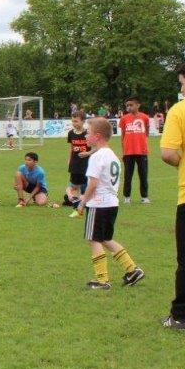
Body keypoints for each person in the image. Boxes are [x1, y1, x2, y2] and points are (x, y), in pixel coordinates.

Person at [76, 118, 145, 290]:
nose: (85, 136)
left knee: (94, 239)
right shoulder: (112, 155)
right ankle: (133, 270)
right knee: (105, 238)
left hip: (99, 204)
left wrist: (82, 202)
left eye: (88, 133)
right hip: (112, 203)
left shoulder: (96, 157)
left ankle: (102, 281)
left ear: (97, 136)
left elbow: (93, 183)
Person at [161, 60, 185, 328]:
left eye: (182, 83)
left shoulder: (180, 110)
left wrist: (183, 163)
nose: (181, 89)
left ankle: (180, 317)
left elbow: (168, 153)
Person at [119, 96, 151, 204]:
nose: (129, 107)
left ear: (138, 105)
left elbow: (146, 133)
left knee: (143, 175)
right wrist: (123, 151)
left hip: (142, 151)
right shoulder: (124, 119)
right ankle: (127, 197)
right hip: (128, 152)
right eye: (127, 105)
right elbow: (123, 136)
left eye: (131, 105)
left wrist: (142, 143)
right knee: (128, 176)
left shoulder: (145, 117)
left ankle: (144, 197)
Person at [65, 112, 91, 217]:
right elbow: (72, 148)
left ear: (83, 121)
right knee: (75, 187)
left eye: (76, 121)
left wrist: (88, 153)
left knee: (86, 187)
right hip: (75, 164)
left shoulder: (88, 133)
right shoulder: (71, 133)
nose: (74, 123)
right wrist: (70, 160)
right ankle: (77, 209)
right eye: (73, 121)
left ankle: (86, 207)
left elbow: (95, 148)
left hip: (87, 164)